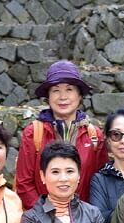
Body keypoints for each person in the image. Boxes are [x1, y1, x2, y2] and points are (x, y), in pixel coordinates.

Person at [15, 60, 108, 209]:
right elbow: (24, 184)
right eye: (56, 90)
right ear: (48, 96)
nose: (62, 97)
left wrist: (87, 215)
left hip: (83, 217)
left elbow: (101, 183)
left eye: (69, 89)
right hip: (42, 217)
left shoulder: (94, 136)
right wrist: (47, 213)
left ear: (79, 96)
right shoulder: (34, 133)